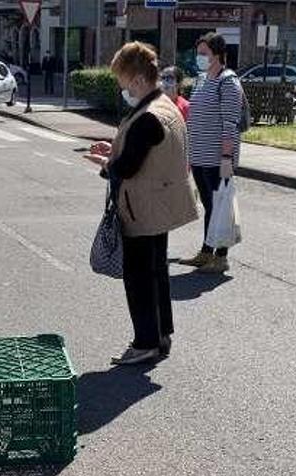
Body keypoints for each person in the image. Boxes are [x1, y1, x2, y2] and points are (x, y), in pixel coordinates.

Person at [83, 42, 199, 366]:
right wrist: (114, 149)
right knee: (156, 271)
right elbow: (148, 154)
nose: (122, 88)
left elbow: (130, 166)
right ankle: (160, 337)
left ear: (136, 79)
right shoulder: (165, 104)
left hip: (142, 207)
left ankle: (146, 341)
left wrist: (106, 163)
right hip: (157, 205)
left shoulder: (148, 115)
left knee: (139, 276)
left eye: (122, 82)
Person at [180, 33, 245, 274]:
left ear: (218, 55)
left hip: (218, 158)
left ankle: (221, 256)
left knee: (221, 207)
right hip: (200, 156)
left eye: (204, 54)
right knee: (210, 206)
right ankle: (206, 251)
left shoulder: (228, 82)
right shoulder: (201, 80)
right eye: (198, 53)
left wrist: (227, 158)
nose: (199, 58)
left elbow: (230, 123)